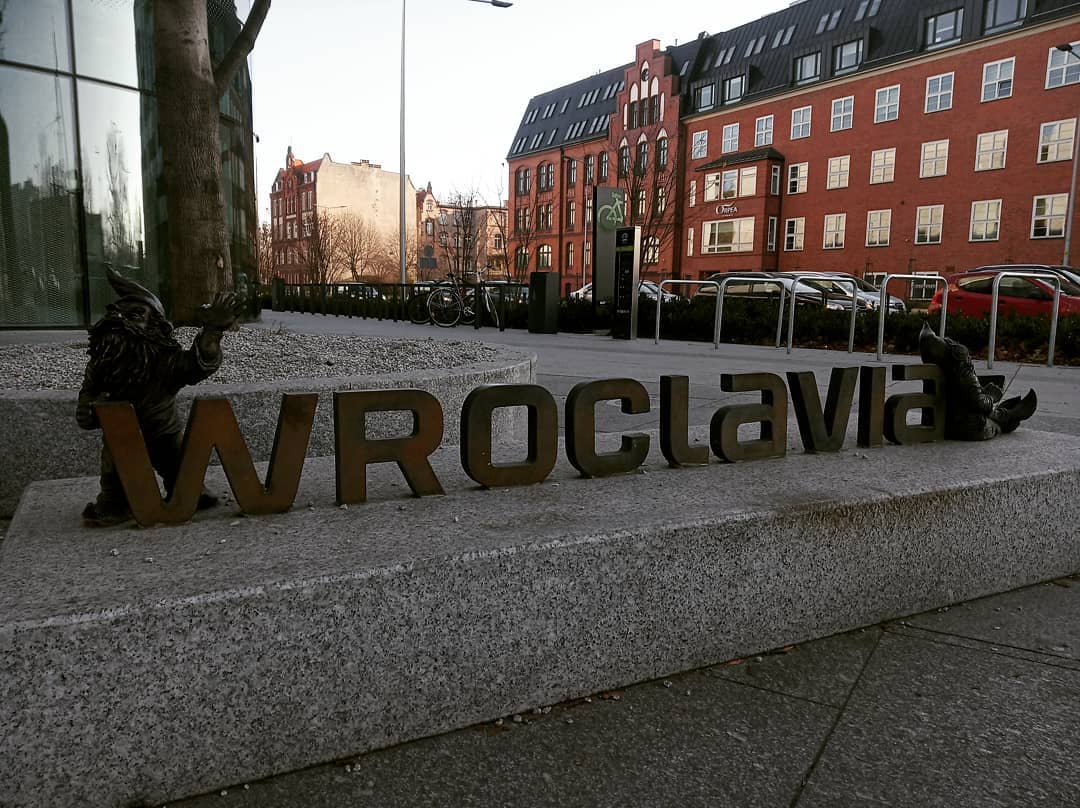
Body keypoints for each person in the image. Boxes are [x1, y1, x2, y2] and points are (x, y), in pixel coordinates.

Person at [76, 268, 240, 526]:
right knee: (114, 482)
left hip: (163, 432)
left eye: (135, 315)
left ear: (154, 326)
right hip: (122, 437)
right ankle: (116, 504)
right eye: (115, 313)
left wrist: (212, 331)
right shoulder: (103, 362)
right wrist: (87, 410)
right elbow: (88, 396)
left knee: (180, 474)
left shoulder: (164, 359)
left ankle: (189, 494)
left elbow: (196, 365)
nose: (119, 319)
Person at [917, 323, 1036, 441]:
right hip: (967, 428)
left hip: (941, 423)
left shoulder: (931, 362)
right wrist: (991, 396)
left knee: (991, 414)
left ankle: (1004, 413)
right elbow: (978, 403)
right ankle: (1009, 415)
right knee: (997, 424)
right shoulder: (958, 356)